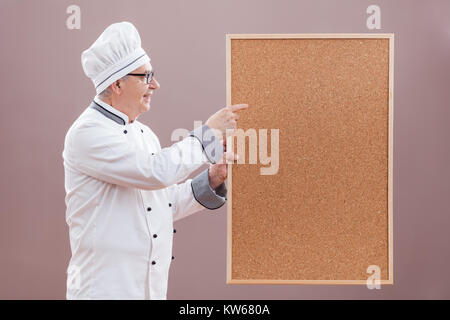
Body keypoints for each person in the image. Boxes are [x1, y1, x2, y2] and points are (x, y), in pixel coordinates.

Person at [62, 21, 247, 299]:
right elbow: (154, 173)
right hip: (104, 291)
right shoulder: (87, 134)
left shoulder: (143, 133)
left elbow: (160, 204)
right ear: (117, 83)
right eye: (147, 76)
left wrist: (211, 179)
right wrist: (208, 134)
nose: (156, 85)